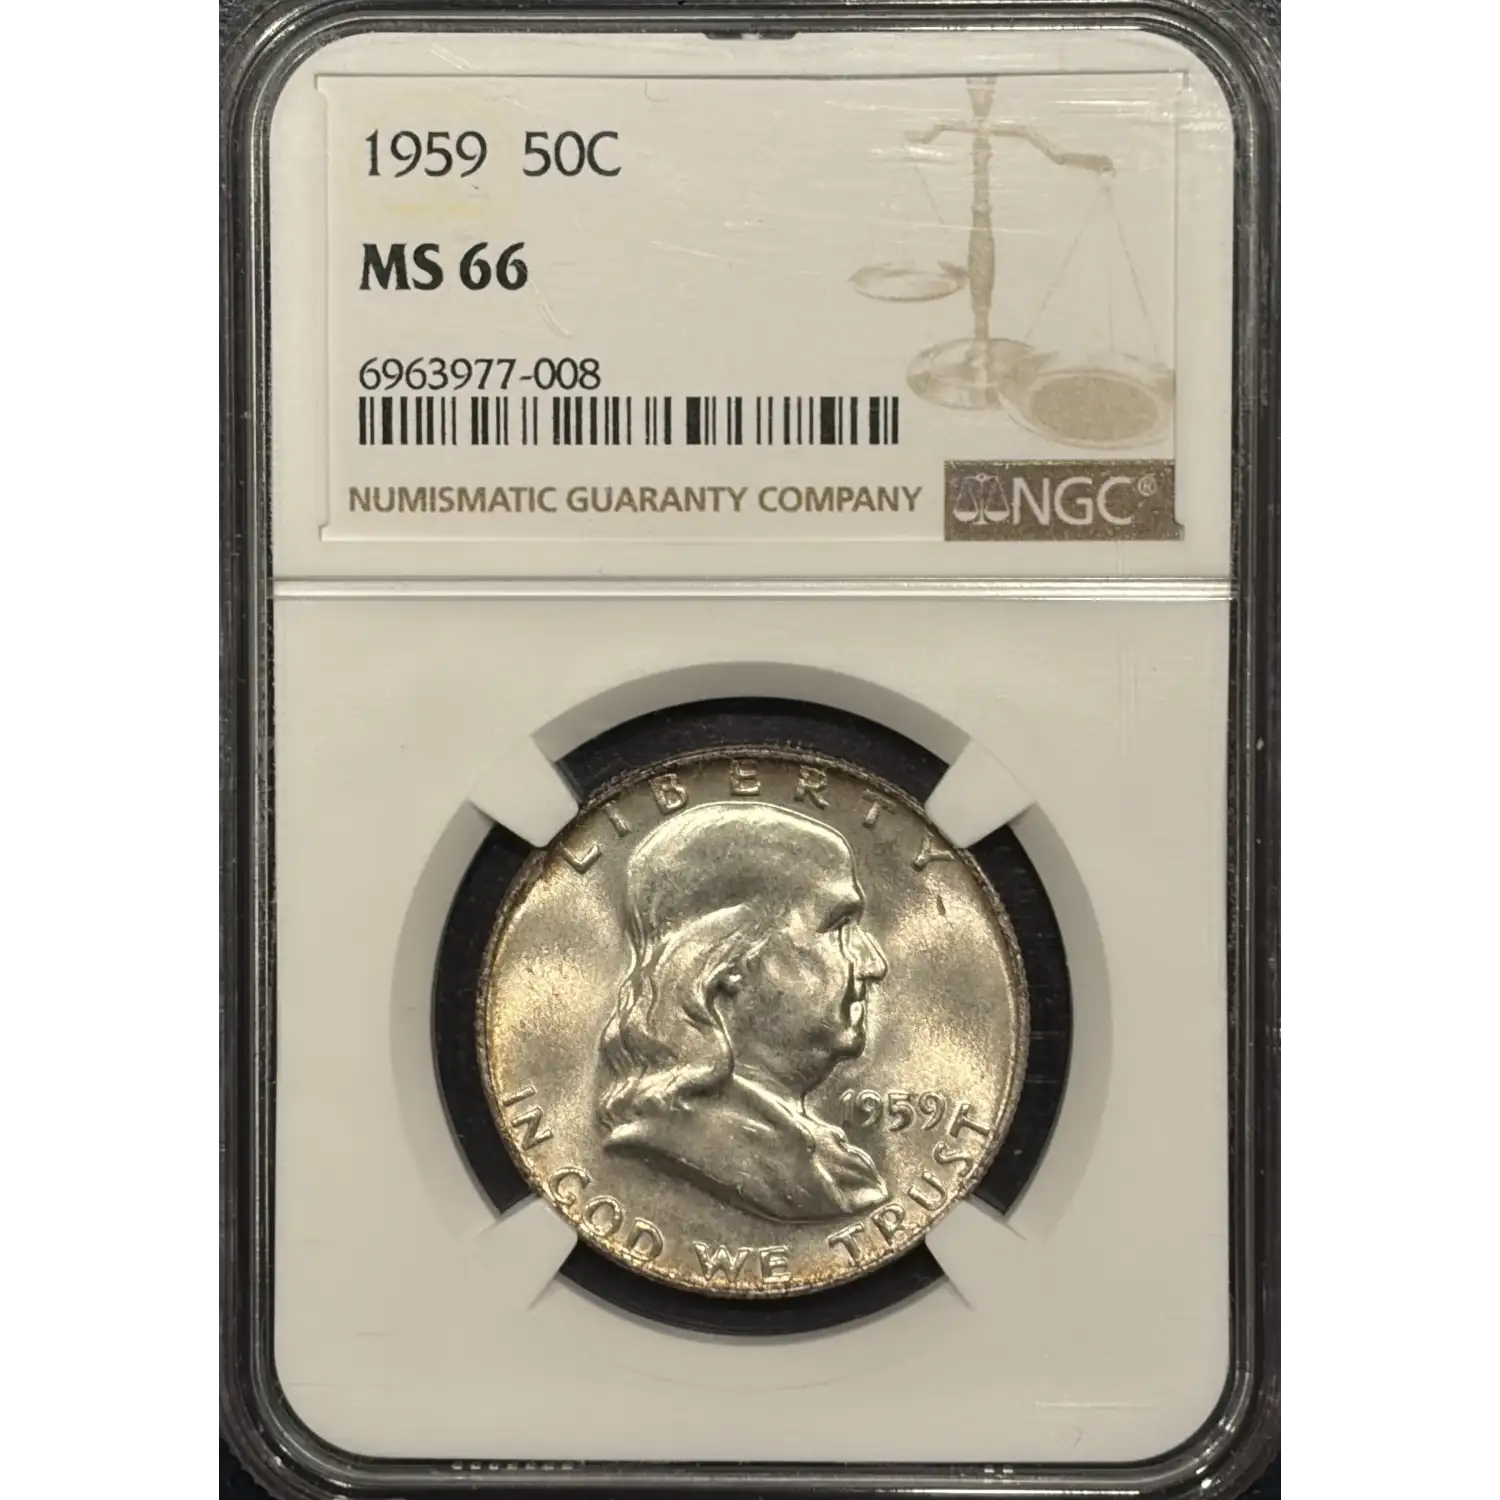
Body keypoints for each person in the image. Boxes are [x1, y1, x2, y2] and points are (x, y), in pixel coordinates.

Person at [596, 800, 892, 1222]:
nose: (873, 964)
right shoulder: (685, 1145)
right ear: (726, 961)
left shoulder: (822, 1158)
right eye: (838, 927)